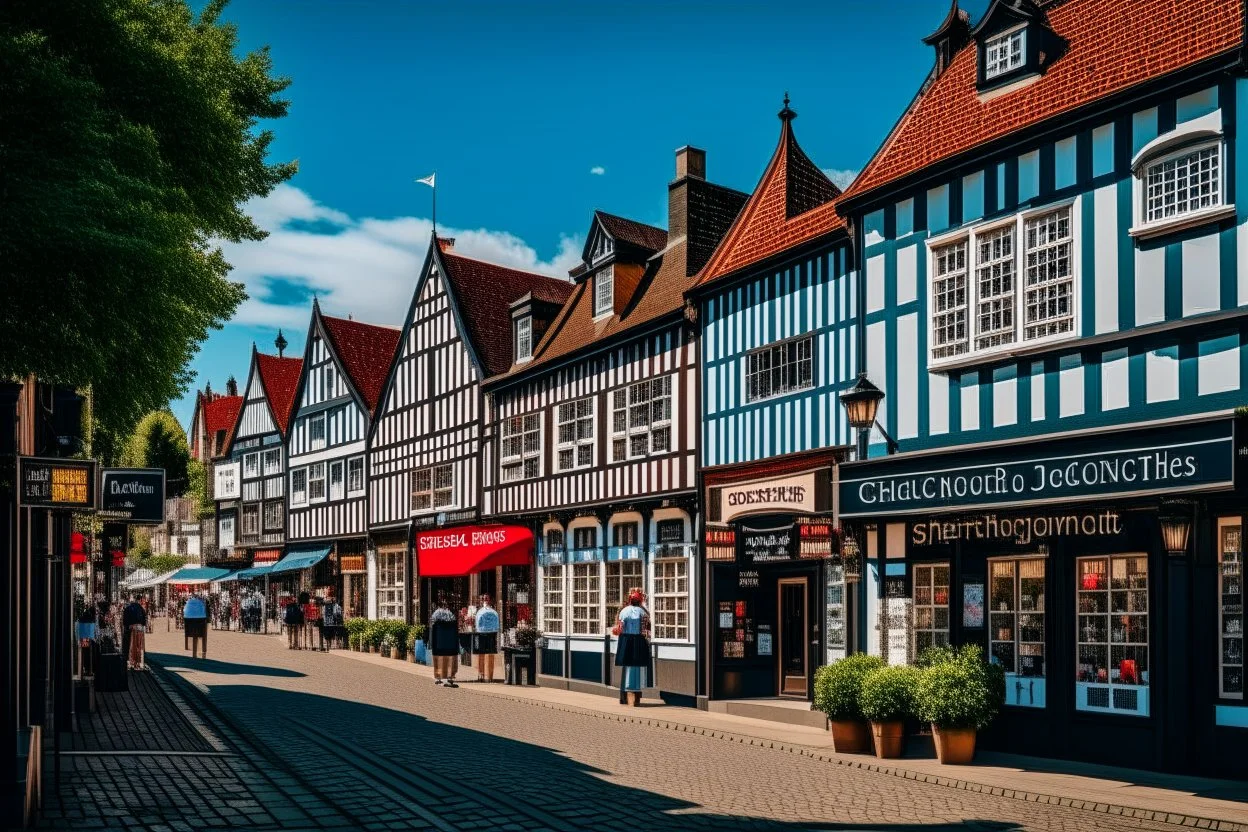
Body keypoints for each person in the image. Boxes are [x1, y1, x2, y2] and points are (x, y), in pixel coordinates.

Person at [614, 589, 651, 706]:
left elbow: (620, 626)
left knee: (627, 666)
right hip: (638, 641)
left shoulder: (624, 611)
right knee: (636, 666)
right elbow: (646, 629)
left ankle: (623, 697)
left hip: (625, 640)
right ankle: (635, 693)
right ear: (640, 601)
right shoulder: (642, 612)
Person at [429, 597, 459, 687]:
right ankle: (450, 677)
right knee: (450, 658)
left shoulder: (436, 613)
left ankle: (438, 678)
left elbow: (432, 623)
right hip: (450, 641)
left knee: (439, 659)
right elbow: (454, 623)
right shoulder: (451, 614)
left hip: (439, 641)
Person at [473, 595, 500, 683]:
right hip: (482, 634)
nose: (485, 600)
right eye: (483, 599)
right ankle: (482, 674)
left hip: (490, 635)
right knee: (482, 655)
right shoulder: (483, 611)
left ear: (490, 600)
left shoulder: (486, 611)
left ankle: (488, 675)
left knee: (489, 655)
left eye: (486, 599)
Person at [124, 595, 148, 670]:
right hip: (140, 629)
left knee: (131, 646)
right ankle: (138, 663)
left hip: (131, 629)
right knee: (139, 646)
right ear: (140, 600)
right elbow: (144, 621)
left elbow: (125, 620)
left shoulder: (128, 607)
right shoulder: (141, 608)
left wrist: (127, 626)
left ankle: (131, 662)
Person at [183, 593, 209, 659]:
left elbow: (184, 611)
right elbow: (205, 612)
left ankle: (194, 653)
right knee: (202, 636)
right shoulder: (201, 602)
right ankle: (203, 651)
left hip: (189, 621)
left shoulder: (188, 602)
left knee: (194, 637)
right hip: (201, 621)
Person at [121, 594, 142, 663]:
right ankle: (134, 659)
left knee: (129, 645)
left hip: (129, 630)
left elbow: (124, 621)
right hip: (133, 630)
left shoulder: (127, 609)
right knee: (134, 645)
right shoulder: (137, 609)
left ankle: (129, 658)